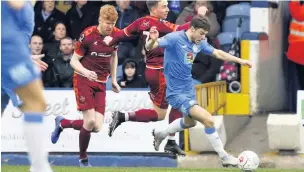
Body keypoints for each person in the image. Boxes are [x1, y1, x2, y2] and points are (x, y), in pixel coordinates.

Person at [145, 16, 252, 166]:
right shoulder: (174, 38)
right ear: (192, 29)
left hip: (189, 89)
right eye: (201, 33)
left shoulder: (199, 42)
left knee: (190, 123)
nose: (203, 37)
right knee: (208, 120)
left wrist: (241, 61)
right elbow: (151, 47)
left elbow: (218, 53)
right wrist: (152, 39)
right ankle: (224, 157)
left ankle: (161, 134)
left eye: (205, 35)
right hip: (176, 92)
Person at [108, 0, 207, 156]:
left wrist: (110, 41)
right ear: (154, 9)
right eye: (164, 6)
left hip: (154, 71)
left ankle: (168, 140)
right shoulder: (160, 26)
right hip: (161, 72)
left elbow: (122, 34)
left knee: (167, 110)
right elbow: (182, 28)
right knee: (165, 111)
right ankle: (170, 141)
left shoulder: (141, 22)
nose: (167, 9)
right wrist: (198, 16)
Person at [50, 5, 121, 167]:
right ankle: (83, 159)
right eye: (107, 22)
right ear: (100, 20)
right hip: (83, 80)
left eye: (113, 23)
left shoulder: (116, 35)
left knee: (96, 127)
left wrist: (114, 80)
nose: (110, 26)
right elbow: (74, 61)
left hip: (102, 83)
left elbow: (114, 56)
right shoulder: (88, 35)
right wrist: (86, 72)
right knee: (89, 122)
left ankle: (63, 123)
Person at [1, 1, 53, 172]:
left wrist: (27, 57)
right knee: (35, 103)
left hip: (13, 54)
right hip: (9, 54)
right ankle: (39, 166)